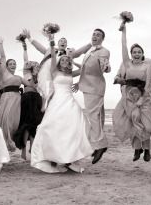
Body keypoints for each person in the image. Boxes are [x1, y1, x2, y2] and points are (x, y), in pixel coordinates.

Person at [30, 32, 94, 173]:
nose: (65, 61)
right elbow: (53, 56)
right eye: (63, 60)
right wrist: (52, 42)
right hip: (57, 101)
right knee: (52, 126)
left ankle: (69, 158)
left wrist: (74, 60)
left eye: (67, 60)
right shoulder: (54, 71)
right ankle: (53, 156)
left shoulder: (71, 73)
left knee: (73, 127)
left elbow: (83, 69)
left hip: (70, 102)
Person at [112, 16, 151, 162]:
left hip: (144, 96)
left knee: (147, 125)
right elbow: (123, 45)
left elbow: (150, 82)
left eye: (139, 52)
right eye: (134, 52)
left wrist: (143, 98)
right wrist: (124, 29)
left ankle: (147, 148)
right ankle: (138, 150)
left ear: (142, 53)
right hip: (130, 97)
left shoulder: (148, 65)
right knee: (134, 121)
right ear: (131, 55)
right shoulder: (127, 64)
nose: (136, 54)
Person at [69, 28, 111, 164]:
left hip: (95, 87)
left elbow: (104, 66)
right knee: (94, 116)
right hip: (87, 87)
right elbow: (85, 68)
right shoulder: (89, 50)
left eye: (98, 35)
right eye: (93, 34)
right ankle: (99, 145)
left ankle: (101, 145)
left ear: (102, 38)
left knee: (94, 116)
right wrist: (78, 83)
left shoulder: (104, 51)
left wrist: (106, 67)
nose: (95, 36)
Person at [0, 37, 29, 152]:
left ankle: (11, 141)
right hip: (6, 99)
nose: (13, 65)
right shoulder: (5, 74)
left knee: (15, 122)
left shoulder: (19, 78)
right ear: (7, 66)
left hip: (17, 100)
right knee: (5, 120)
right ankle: (4, 142)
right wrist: (1, 44)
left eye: (14, 63)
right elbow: (3, 58)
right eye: (11, 64)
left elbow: (31, 85)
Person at [13, 40, 43, 160]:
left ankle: (32, 148)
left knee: (34, 125)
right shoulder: (26, 74)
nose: (35, 66)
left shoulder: (40, 77)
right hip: (26, 99)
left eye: (36, 65)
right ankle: (24, 151)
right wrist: (24, 47)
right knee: (25, 125)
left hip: (36, 99)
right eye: (33, 65)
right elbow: (25, 59)